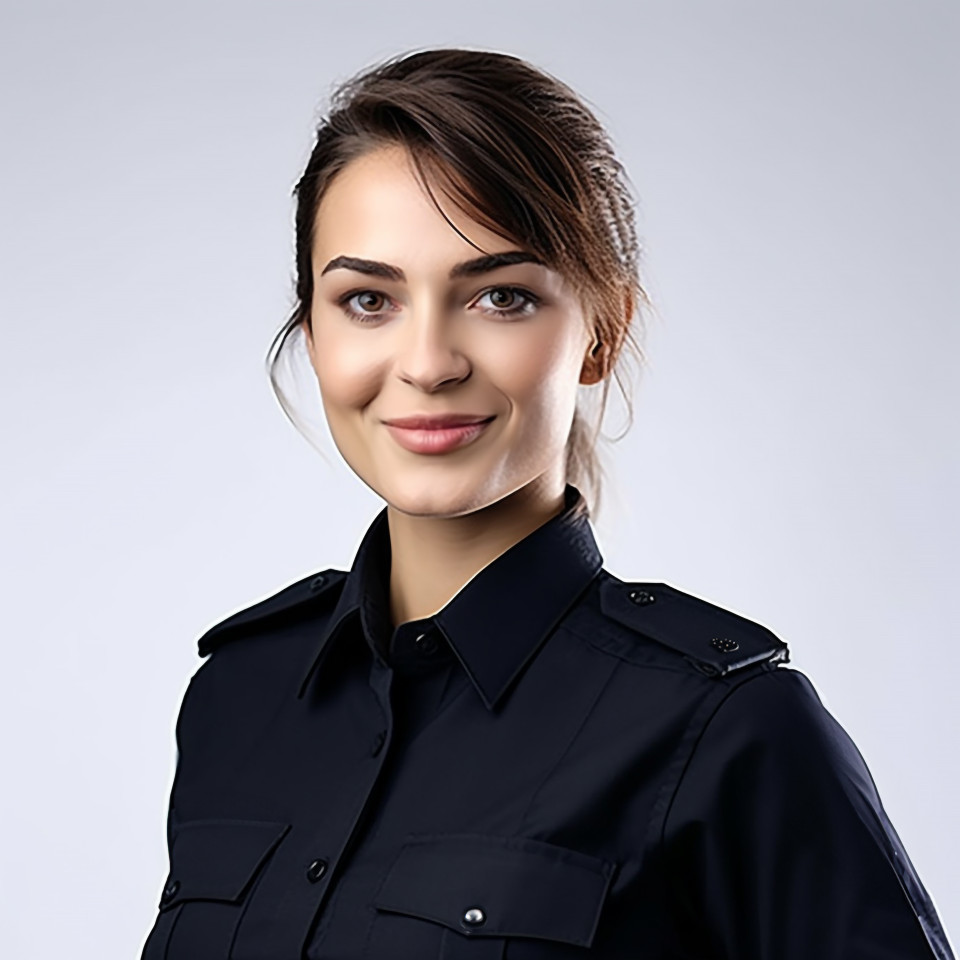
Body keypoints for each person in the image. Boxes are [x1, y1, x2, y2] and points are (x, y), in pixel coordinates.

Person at [139, 48, 954, 960]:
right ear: (314, 329)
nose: (428, 363)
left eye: (500, 296)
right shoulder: (236, 697)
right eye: (368, 299)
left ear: (602, 332)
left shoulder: (730, 731)